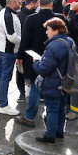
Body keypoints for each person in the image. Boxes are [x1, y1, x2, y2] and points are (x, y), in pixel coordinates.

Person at [32, 17, 73, 145]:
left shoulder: (54, 46)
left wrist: (36, 63)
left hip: (53, 83)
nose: (46, 32)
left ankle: (50, 136)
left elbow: (44, 69)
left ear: (55, 30)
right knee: (61, 108)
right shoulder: (69, 42)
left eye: (48, 29)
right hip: (66, 82)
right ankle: (59, 132)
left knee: (52, 109)